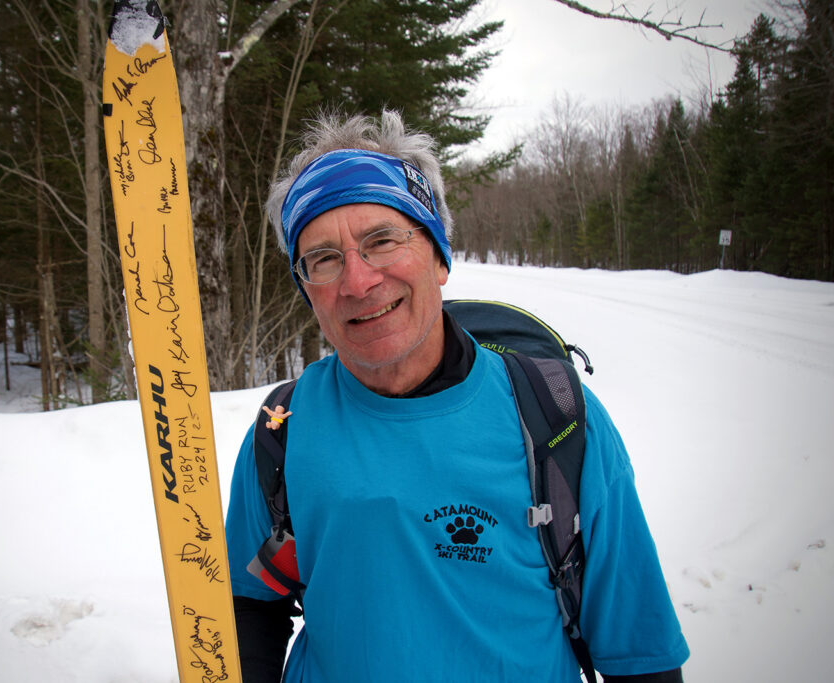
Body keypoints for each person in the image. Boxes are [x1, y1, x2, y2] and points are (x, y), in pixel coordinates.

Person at [224, 110, 689, 682]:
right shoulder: (285, 429)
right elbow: (252, 603)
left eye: (382, 240)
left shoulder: (557, 418)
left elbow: (638, 651)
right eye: (323, 259)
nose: (358, 281)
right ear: (307, 290)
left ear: (439, 255)